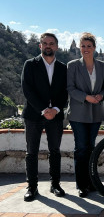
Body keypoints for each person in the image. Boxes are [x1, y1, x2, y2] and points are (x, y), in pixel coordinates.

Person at [21, 33, 68, 201]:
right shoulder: (30, 65)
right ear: (40, 46)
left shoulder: (63, 68)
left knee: (55, 151)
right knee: (31, 152)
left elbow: (65, 92)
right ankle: (32, 187)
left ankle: (55, 185)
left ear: (56, 46)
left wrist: (55, 109)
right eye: (45, 43)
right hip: (33, 115)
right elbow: (27, 89)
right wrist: (43, 109)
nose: (48, 45)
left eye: (51, 43)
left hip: (55, 115)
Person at [67, 32, 104, 197]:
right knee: (81, 149)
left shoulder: (103, 66)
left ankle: (91, 182)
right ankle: (81, 184)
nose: (86, 49)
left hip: (96, 113)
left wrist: (101, 95)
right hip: (78, 113)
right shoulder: (72, 65)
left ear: (94, 48)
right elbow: (70, 88)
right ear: (79, 48)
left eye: (89, 46)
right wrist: (86, 97)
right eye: (83, 46)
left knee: (91, 149)